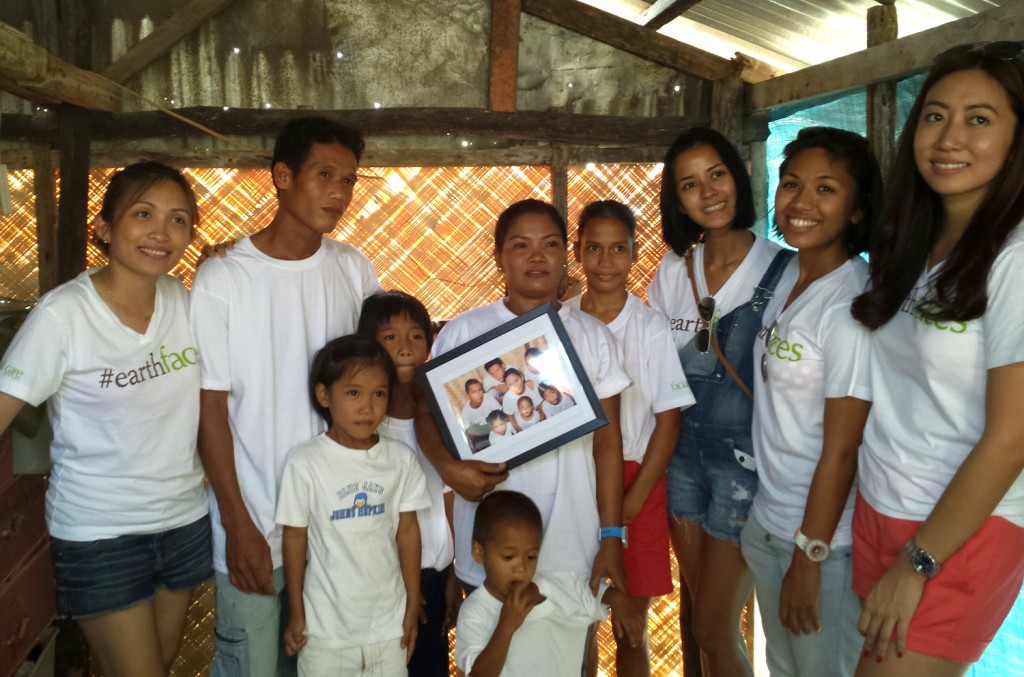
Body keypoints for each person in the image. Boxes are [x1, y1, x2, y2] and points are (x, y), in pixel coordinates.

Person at [849, 43, 1024, 677]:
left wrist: (918, 562)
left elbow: (1012, 440)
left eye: (979, 118)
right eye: (934, 115)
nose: (950, 137)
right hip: (883, 506)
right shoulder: (918, 241)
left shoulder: (1016, 257)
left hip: (957, 535)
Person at [189, 116, 382, 677]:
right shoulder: (224, 277)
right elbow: (211, 411)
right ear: (282, 176)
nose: (339, 193)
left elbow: (391, 365)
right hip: (254, 521)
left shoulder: (353, 270)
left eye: (349, 180)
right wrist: (238, 524)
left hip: (338, 525)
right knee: (253, 667)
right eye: (325, 175)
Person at [0, 162, 210, 676]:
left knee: (156, 664)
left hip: (183, 519)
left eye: (178, 220)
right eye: (143, 214)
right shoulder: (63, 315)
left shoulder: (187, 304)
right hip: (101, 531)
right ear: (104, 227)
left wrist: (229, 261)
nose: (161, 232)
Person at [415, 199, 631, 600]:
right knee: (487, 657)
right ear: (499, 257)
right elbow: (426, 414)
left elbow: (608, 444)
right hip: (487, 546)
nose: (536, 256)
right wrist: (448, 470)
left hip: (573, 542)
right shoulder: (464, 332)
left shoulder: (594, 338)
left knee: (567, 659)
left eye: (550, 244)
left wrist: (611, 536)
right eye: (520, 245)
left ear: (565, 256)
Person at [647, 126, 793, 677]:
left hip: (746, 470)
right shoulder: (670, 271)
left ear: (739, 176)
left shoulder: (785, 271)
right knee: (704, 621)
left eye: (717, 174)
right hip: (679, 459)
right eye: (689, 184)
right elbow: (653, 368)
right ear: (676, 199)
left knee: (711, 624)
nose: (707, 192)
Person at [740, 127, 882, 677]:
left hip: (824, 545)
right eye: (791, 183)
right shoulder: (791, 278)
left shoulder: (850, 305)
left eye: (825, 189)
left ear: (856, 210)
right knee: (783, 669)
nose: (800, 202)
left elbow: (843, 449)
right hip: (769, 523)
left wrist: (810, 556)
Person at [566, 199, 696, 676]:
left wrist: (634, 500)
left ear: (635, 252)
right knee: (575, 618)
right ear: (577, 252)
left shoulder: (650, 326)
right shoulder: (558, 320)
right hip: (577, 477)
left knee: (629, 625)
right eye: (593, 248)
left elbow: (669, 420)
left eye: (617, 248)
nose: (605, 261)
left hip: (636, 479)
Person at [277, 335, 430, 676]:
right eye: (353, 393)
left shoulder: (400, 460)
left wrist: (410, 602)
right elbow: (294, 538)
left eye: (379, 393)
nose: (368, 406)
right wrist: (297, 612)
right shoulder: (306, 463)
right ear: (323, 396)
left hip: (389, 629)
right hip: (325, 634)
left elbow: (407, 532)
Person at [357, 291, 462, 676]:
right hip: (384, 580)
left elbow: (449, 494)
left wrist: (454, 573)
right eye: (390, 337)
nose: (404, 347)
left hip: (435, 573)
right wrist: (404, 587)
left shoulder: (442, 413)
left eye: (415, 336)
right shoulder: (366, 423)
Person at [454, 491, 644, 677]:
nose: (520, 567)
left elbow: (591, 593)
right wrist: (506, 626)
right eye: (508, 557)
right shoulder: (475, 612)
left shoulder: (554, 587)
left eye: (531, 556)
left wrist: (618, 599)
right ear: (479, 552)